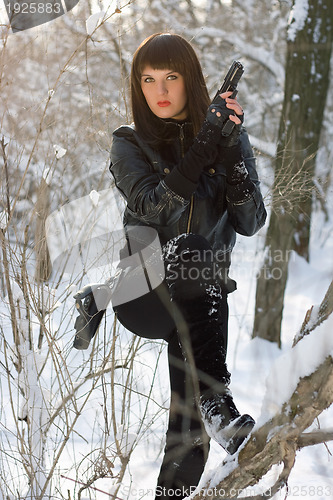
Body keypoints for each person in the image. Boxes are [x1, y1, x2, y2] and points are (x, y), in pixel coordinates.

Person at [109, 33, 267, 498]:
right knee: (191, 249)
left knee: (190, 420)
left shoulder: (226, 140)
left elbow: (251, 221)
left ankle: (174, 489)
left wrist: (232, 148)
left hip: (201, 297)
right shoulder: (129, 143)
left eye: (171, 77)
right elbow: (156, 209)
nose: (159, 89)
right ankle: (217, 400)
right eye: (148, 79)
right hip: (144, 291)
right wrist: (202, 147)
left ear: (190, 81)